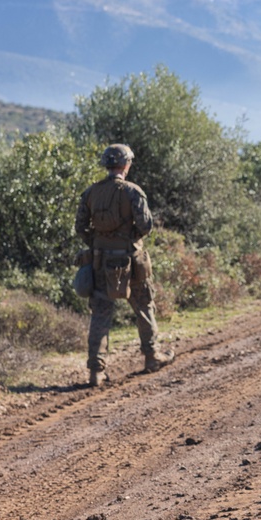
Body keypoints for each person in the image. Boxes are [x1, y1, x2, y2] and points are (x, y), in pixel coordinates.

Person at [75, 144, 174, 387]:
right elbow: (146, 226)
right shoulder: (133, 192)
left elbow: (81, 228)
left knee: (100, 314)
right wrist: (127, 240)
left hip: (100, 261)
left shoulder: (90, 193)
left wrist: (99, 244)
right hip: (131, 261)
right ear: (126, 165)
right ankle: (152, 357)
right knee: (143, 306)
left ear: (107, 165)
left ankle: (96, 372)